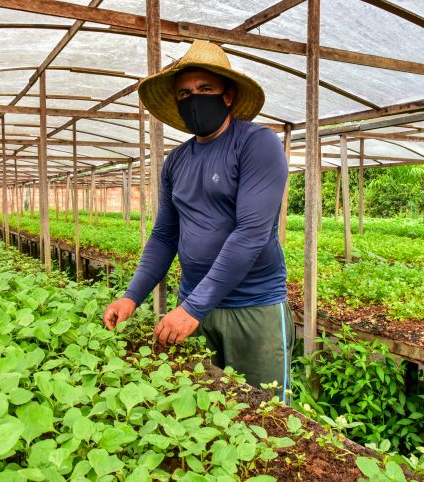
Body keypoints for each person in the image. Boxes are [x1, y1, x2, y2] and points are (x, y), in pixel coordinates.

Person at [102, 40, 293, 400]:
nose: (195, 98)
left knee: (267, 418)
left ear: (228, 95)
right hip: (195, 305)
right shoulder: (176, 161)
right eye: (185, 93)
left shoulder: (257, 144)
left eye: (205, 89)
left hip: (253, 308)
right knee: (204, 406)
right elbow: (164, 236)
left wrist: (191, 309)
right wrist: (132, 297)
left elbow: (251, 233)